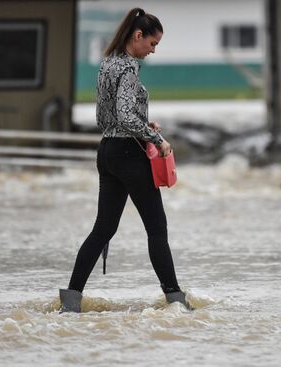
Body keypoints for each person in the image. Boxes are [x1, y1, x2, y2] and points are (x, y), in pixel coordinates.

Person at [59, 7, 190, 312]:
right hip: (129, 155)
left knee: (103, 229)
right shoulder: (129, 69)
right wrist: (156, 138)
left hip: (107, 150)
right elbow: (125, 116)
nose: (153, 50)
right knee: (157, 229)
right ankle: (176, 303)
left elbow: (107, 117)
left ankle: (71, 301)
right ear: (137, 35)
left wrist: (145, 123)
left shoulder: (107, 64)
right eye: (152, 43)